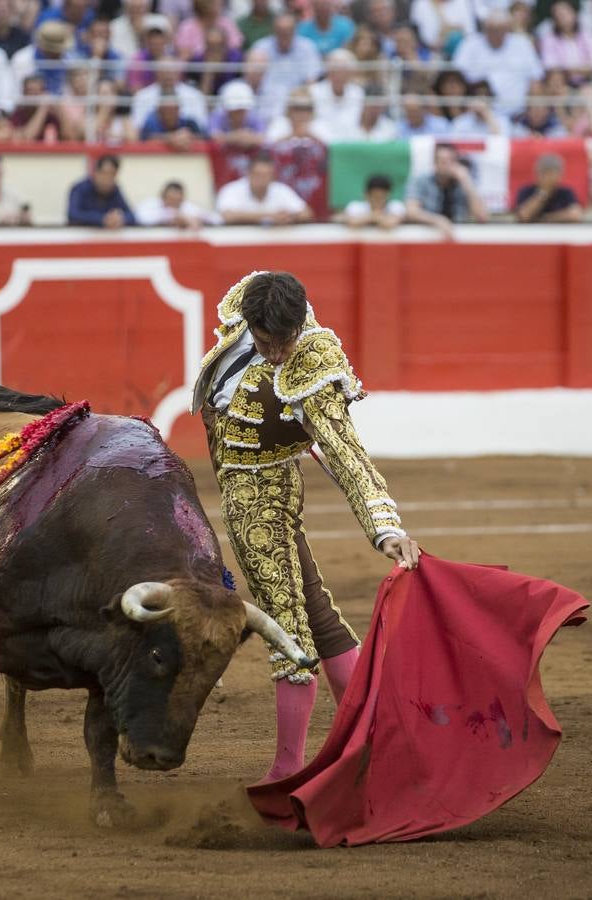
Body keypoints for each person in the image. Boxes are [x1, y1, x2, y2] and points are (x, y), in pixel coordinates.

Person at [191, 269, 419, 781]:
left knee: (288, 635)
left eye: (283, 342)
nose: (275, 354)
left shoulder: (312, 364)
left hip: (263, 504)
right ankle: (375, 737)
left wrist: (385, 528)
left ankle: (287, 769)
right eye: (266, 342)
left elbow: (346, 453)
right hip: (242, 493)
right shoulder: (243, 313)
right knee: (316, 613)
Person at [451, 8, 541, 118]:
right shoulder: (470, 43)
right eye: (491, 29)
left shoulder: (522, 44)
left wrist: (530, 112)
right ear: (485, 28)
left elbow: (535, 79)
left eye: (500, 29)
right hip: (475, 115)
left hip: (518, 117)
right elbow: (455, 78)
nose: (496, 34)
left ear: (507, 28)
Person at [405, 142, 487, 231]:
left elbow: (482, 216)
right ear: (435, 163)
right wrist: (437, 220)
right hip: (427, 234)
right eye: (443, 161)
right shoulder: (421, 180)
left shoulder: (464, 182)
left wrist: (467, 182)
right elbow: (411, 211)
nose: (447, 165)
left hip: (459, 235)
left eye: (451, 161)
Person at [215, 153, 314, 225]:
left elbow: (307, 213)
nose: (262, 179)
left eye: (267, 175)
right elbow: (227, 216)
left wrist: (289, 216)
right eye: (258, 174)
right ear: (248, 174)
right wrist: (270, 216)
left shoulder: (281, 190)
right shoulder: (232, 190)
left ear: (273, 176)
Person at [67, 153, 137, 228]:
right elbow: (73, 214)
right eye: (104, 173)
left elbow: (131, 216)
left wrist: (121, 218)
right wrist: (102, 219)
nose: (107, 179)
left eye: (112, 175)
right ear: (96, 173)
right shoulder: (79, 189)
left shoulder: (115, 190)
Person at [514, 153, 583, 224]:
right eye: (545, 174)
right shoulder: (526, 191)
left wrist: (546, 219)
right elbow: (523, 215)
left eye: (552, 174)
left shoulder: (566, 192)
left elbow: (575, 215)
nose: (549, 178)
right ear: (537, 174)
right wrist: (543, 193)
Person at [134, 179, 220, 227]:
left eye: (177, 200)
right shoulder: (150, 204)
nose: (173, 203)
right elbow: (141, 218)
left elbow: (216, 219)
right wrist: (174, 216)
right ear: (163, 197)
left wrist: (196, 218)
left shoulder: (187, 207)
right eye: (171, 199)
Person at [336, 173, 406, 229]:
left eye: (382, 197)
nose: (378, 200)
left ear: (388, 194)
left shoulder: (396, 206)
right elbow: (353, 222)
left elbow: (390, 224)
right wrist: (375, 216)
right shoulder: (355, 206)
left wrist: (372, 217)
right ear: (366, 195)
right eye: (375, 197)